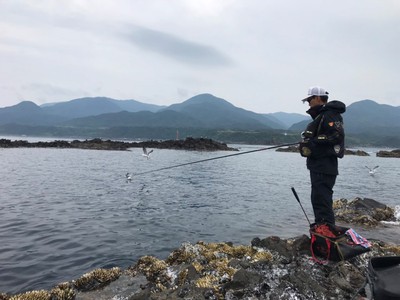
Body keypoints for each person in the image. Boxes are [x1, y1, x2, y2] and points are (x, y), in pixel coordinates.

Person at [299, 86, 346, 225]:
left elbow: (337, 136)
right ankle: (322, 230)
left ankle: (326, 233)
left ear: (317, 98)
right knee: (319, 199)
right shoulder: (323, 115)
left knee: (322, 201)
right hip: (320, 166)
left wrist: (313, 141)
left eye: (309, 99)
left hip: (324, 166)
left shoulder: (329, 114)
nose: (308, 103)